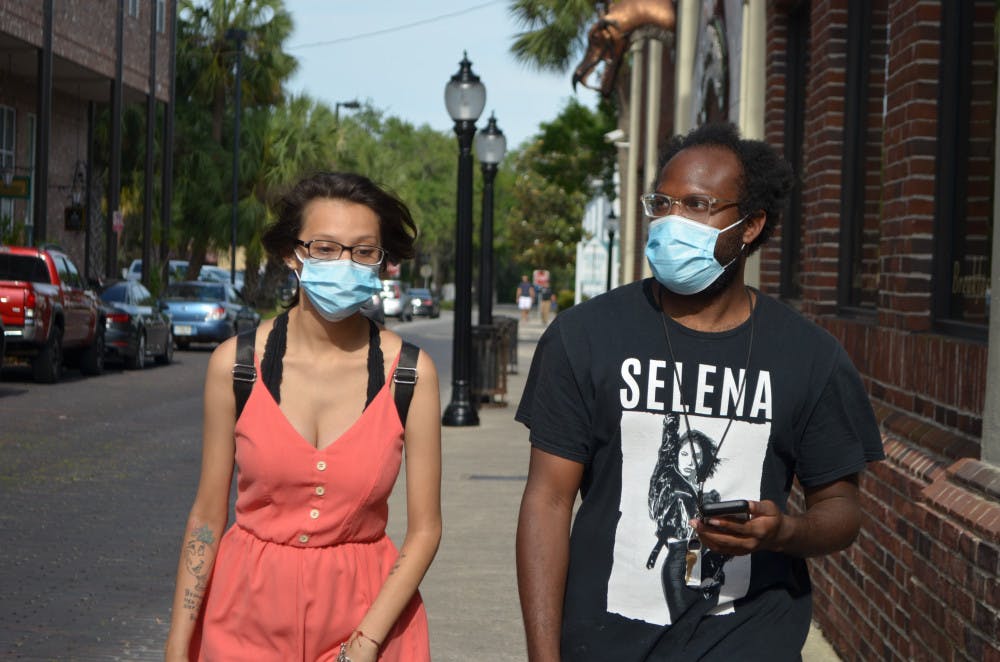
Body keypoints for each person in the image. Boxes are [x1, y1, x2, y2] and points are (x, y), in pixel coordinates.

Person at [514, 122, 884, 661]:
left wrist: (784, 531)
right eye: (662, 204)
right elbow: (546, 502)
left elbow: (841, 509)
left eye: (697, 205)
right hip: (605, 644)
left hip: (752, 639)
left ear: (750, 225)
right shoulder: (584, 337)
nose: (671, 222)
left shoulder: (811, 357)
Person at [165, 172, 442, 662]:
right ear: (294, 255)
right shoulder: (235, 366)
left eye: (363, 251)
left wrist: (366, 642)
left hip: (367, 624)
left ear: (382, 262)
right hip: (243, 620)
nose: (345, 263)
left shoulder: (411, 376)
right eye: (326, 248)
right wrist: (177, 644)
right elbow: (207, 517)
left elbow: (425, 530)